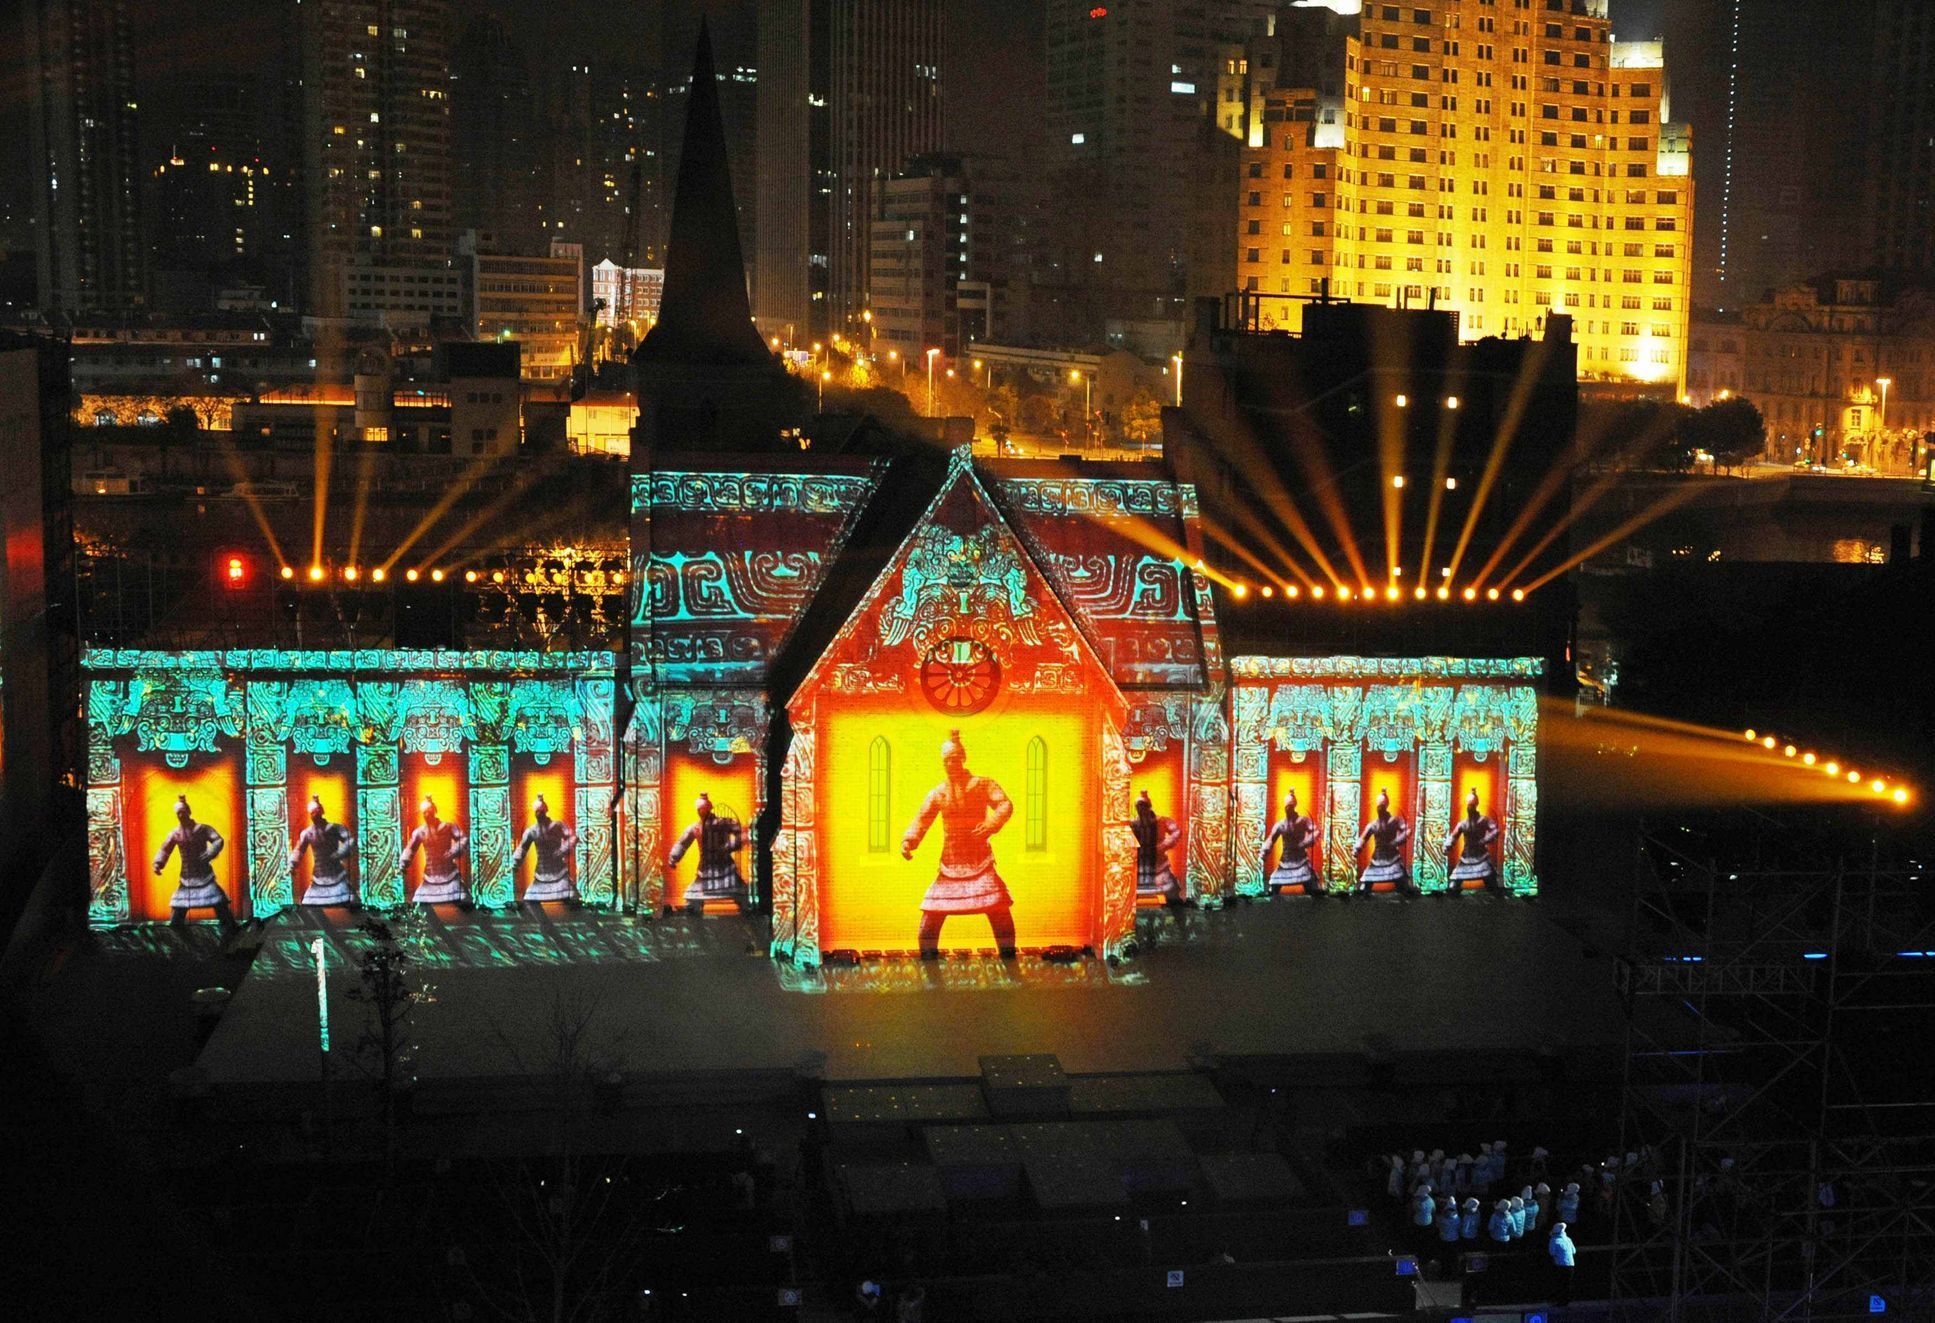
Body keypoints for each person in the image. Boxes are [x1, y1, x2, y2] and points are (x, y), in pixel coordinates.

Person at [901, 729, 1016, 959]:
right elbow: (922, 818)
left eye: (955, 759)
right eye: (947, 761)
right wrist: (909, 840)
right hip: (950, 864)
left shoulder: (982, 784)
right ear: (943, 763)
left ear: (963, 759)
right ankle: (928, 961)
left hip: (979, 860)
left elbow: (1004, 804)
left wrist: (991, 823)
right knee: (930, 920)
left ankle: (1008, 956)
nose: (951, 764)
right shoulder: (938, 793)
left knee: (999, 910)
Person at [154, 795, 236, 936]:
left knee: (219, 903)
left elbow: (218, 840)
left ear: (189, 811)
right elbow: (165, 849)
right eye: (178, 813)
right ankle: (175, 933)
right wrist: (158, 863)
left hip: (204, 874)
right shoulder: (175, 834)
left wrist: (211, 852)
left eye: (183, 812)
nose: (181, 815)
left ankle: (231, 930)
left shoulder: (202, 829)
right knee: (178, 908)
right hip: (186, 877)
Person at [666, 792, 749, 914]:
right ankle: (693, 909)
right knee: (692, 896)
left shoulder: (722, 823)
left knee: (741, 893)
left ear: (709, 808)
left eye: (703, 809)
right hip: (705, 869)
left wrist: (729, 846)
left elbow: (743, 833)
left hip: (725, 867)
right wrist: (674, 857)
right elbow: (682, 843)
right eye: (699, 809)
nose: (701, 812)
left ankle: (747, 908)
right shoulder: (695, 828)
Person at [401, 796, 470, 906]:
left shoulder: (448, 827)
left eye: (429, 811)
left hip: (450, 876)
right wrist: (403, 863)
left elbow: (463, 839)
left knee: (464, 898)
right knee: (418, 901)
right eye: (424, 812)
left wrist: (454, 851)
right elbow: (410, 848)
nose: (427, 815)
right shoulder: (419, 832)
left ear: (434, 811)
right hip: (430, 878)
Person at [289, 796, 357, 907]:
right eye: (312, 813)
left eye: (316, 812)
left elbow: (350, 840)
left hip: (337, 874)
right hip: (318, 878)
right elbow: (299, 850)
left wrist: (340, 853)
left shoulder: (335, 828)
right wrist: (292, 864)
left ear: (321, 812)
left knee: (349, 900)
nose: (314, 815)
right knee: (309, 904)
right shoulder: (307, 833)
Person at [515, 795, 578, 903]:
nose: (539, 814)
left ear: (545, 811)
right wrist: (515, 863)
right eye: (537, 812)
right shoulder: (532, 831)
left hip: (559, 872)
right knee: (530, 898)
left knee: (571, 895)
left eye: (541, 811)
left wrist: (562, 850)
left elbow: (573, 838)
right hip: (541, 874)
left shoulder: (557, 825)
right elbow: (522, 848)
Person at [1260, 790, 1322, 896]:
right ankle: (1271, 896)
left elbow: (1316, 831)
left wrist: (1305, 842)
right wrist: (1265, 851)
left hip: (1301, 859)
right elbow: (1271, 839)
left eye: (1291, 806)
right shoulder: (1280, 825)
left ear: (1294, 806)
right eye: (1287, 807)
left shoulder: (1302, 820)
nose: (1289, 809)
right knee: (1275, 882)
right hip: (1286, 860)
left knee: (1310, 880)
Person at [1443, 789, 1503, 895]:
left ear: (1476, 805)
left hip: (1481, 854)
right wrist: (1447, 845)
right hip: (1467, 855)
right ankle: (1453, 891)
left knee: (1490, 879)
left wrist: (1484, 840)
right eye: (1469, 805)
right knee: (1454, 881)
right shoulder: (1463, 824)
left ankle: (1495, 892)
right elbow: (1454, 836)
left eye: (1472, 805)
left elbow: (1495, 830)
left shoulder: (1484, 820)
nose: (1470, 807)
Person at [1131, 790, 1185, 906]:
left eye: (1143, 806)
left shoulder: (1161, 820)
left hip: (1159, 866)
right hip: (1139, 865)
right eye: (1138, 807)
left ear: (1148, 807)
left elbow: (1177, 831)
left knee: (1171, 890)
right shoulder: (1133, 823)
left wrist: (1164, 845)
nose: (1141, 810)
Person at [1355, 789, 1413, 897]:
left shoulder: (1395, 820)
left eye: (1382, 806)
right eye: (1379, 806)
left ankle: (1405, 891)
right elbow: (1363, 838)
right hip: (1377, 857)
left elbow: (1407, 831)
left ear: (1386, 806)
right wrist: (1357, 847)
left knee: (1400, 879)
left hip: (1392, 856)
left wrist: (1396, 841)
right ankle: (1364, 892)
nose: (1380, 808)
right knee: (1366, 882)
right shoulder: (1373, 824)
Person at [1547, 1221, 1576, 1304]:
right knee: (1568, 1283)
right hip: (1571, 1264)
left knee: (1560, 1284)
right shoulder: (1568, 1239)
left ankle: (1560, 1301)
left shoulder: (1554, 1240)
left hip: (1560, 1265)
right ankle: (1567, 1301)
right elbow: (1574, 1251)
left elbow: (1551, 1252)